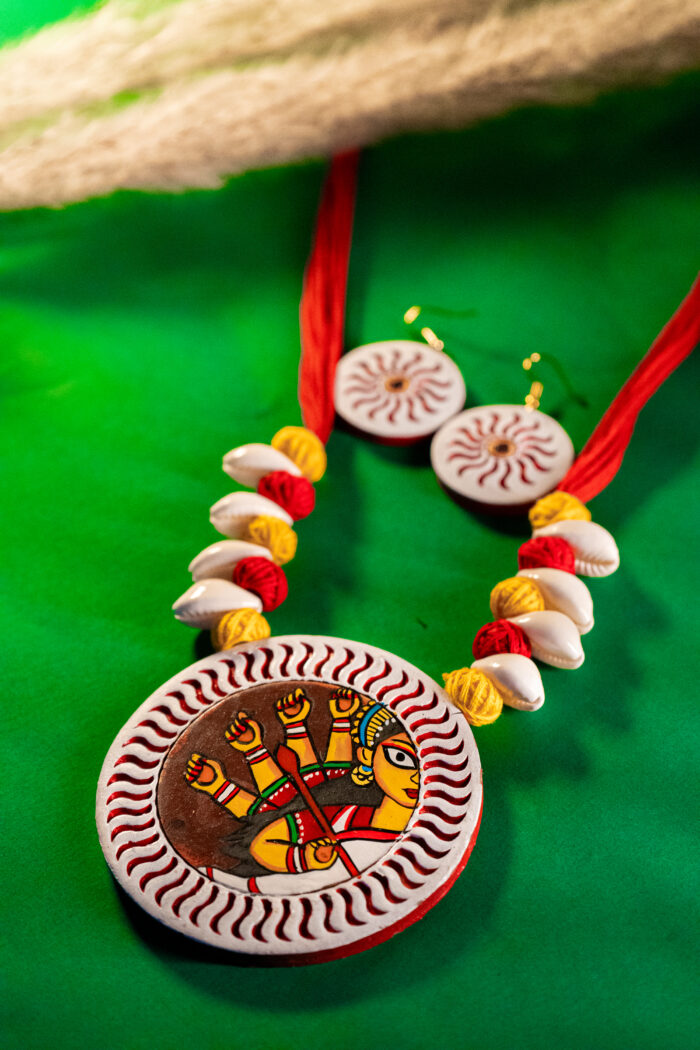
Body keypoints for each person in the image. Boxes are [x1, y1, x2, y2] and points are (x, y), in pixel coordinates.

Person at [184, 688, 419, 893]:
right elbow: (263, 843)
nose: (413, 776)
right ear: (366, 756)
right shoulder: (342, 817)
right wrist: (306, 857)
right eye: (399, 758)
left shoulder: (422, 839)